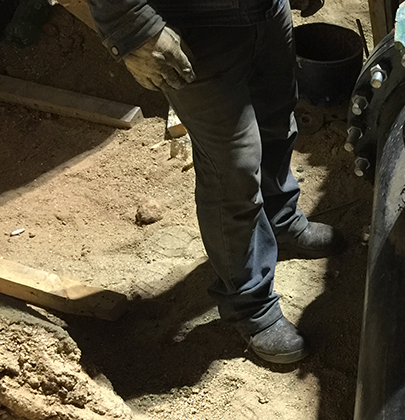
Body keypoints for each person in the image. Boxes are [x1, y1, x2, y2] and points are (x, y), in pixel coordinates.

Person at [85, 0, 345, 364]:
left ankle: (280, 220)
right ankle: (250, 304)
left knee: (277, 121)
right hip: (193, 23)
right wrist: (132, 24)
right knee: (232, 169)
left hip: (267, 11)